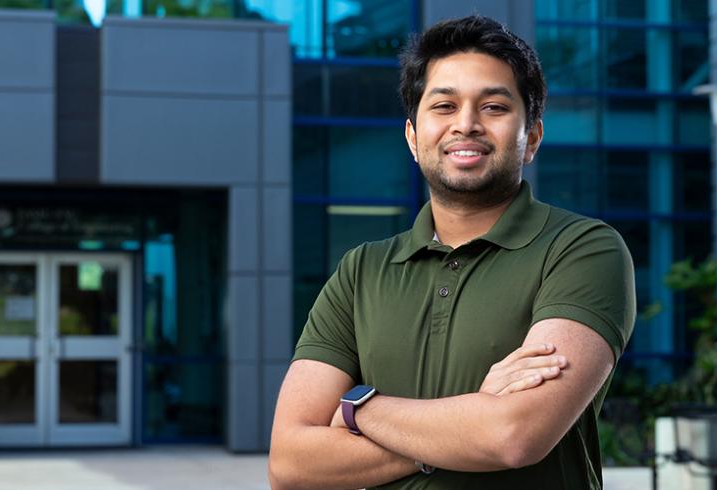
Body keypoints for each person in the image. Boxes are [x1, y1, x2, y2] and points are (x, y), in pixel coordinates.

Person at [269, 15, 636, 490]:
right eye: (443, 105)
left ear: (533, 138)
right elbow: (290, 463)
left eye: (494, 107)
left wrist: (357, 408)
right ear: (412, 136)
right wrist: (468, 424)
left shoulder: (582, 249)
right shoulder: (361, 271)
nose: (466, 124)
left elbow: (513, 435)